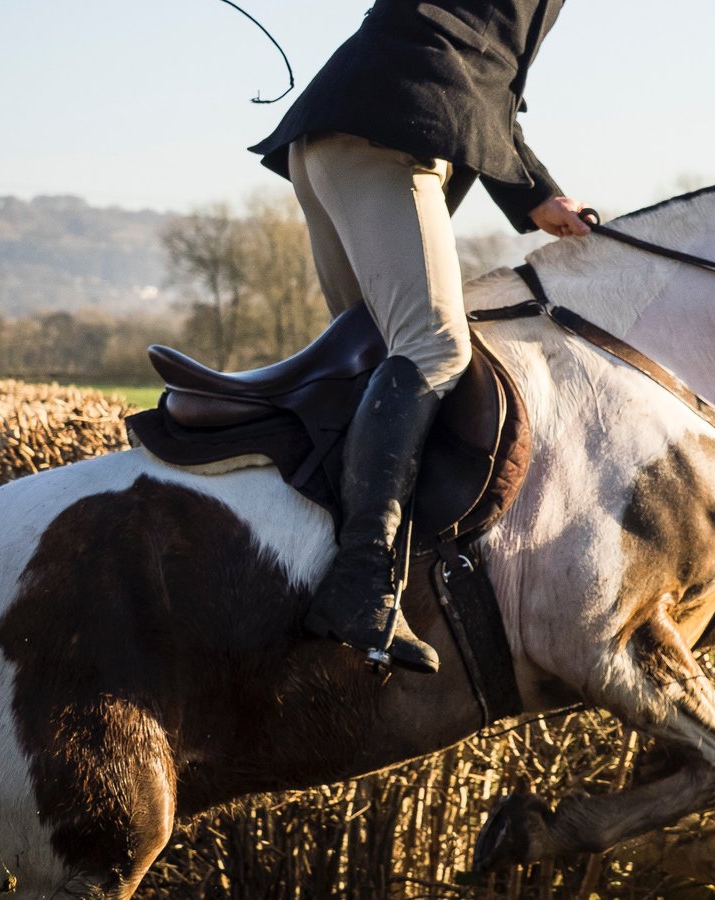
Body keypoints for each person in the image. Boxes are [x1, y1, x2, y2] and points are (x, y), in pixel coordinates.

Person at [248, 0, 588, 676]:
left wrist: (537, 194)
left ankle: (299, 570)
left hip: (342, 138)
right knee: (434, 348)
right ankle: (361, 584)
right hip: (389, 141)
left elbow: (491, 90)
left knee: (371, 356)